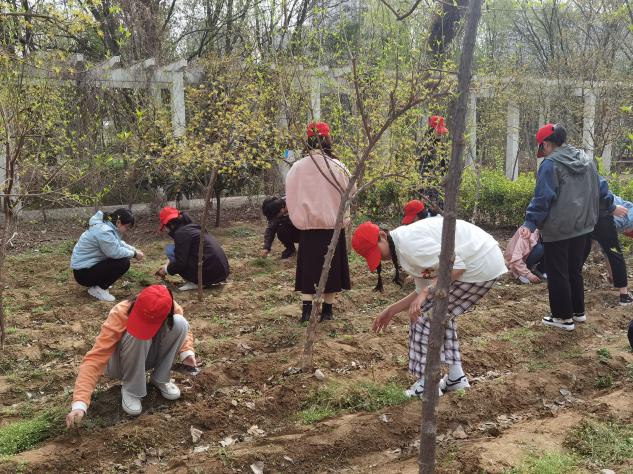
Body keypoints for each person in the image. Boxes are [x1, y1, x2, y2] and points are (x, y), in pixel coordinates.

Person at [352, 217, 506, 398]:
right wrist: (391, 310)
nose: (380, 258)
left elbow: (456, 268)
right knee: (440, 313)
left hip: (479, 264)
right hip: (482, 262)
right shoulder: (403, 248)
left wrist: (427, 292)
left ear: (383, 236)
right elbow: (420, 291)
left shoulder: (410, 246)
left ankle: (428, 384)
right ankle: (456, 378)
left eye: (376, 251)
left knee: (424, 316)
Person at [518, 123, 623, 331]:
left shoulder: (550, 165)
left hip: (558, 228)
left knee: (558, 272)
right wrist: (611, 206)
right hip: (584, 226)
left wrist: (530, 223)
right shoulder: (585, 159)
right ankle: (578, 312)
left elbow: (543, 197)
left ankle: (562, 317)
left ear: (546, 144)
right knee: (574, 270)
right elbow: (601, 187)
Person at [65, 285, 197, 426]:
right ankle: (131, 389)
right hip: (120, 363)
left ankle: (160, 379)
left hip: (146, 356)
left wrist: (187, 352)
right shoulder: (120, 312)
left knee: (180, 323)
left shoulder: (168, 305)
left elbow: (184, 332)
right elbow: (96, 358)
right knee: (138, 335)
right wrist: (80, 403)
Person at [285, 121, 352, 323]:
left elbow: (289, 194)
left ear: (308, 140)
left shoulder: (297, 168)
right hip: (332, 228)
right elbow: (351, 191)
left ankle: (306, 312)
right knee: (331, 269)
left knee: (308, 268)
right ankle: (328, 311)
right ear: (328, 139)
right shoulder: (337, 166)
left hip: (308, 228)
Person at [71, 209, 145, 302]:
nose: (127, 231)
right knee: (123, 262)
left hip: (86, 269)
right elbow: (115, 252)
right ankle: (100, 289)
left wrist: (133, 249)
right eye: (127, 227)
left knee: (120, 259)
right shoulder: (104, 231)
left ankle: (98, 284)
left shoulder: (106, 226)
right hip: (83, 274)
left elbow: (117, 243)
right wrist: (134, 254)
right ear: (118, 222)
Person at [156, 207, 229, 291]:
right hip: (220, 271)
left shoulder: (181, 234)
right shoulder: (192, 228)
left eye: (165, 227)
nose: (166, 230)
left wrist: (166, 270)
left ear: (170, 224)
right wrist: (169, 264)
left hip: (207, 274)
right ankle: (200, 280)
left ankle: (196, 282)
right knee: (174, 249)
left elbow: (180, 263)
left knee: (170, 250)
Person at [584, 191, 632, 305]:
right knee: (614, 251)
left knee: (609, 250)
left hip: (588, 214)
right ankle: (624, 295)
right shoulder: (625, 216)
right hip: (603, 215)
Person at [418, 115, 449, 215]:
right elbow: (421, 169)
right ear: (431, 130)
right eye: (438, 131)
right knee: (429, 213)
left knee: (441, 213)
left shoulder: (441, 145)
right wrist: (423, 188)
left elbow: (445, 166)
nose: (440, 134)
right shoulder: (425, 146)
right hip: (428, 188)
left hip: (440, 188)